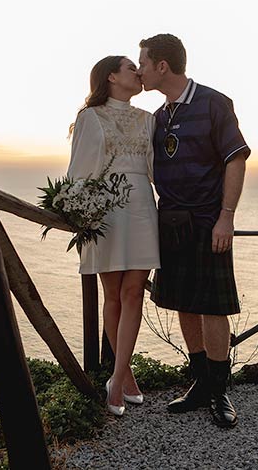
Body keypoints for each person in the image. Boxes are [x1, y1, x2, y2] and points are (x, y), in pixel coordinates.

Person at [137, 34, 249, 428]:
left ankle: (220, 391)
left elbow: (236, 160)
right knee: (185, 301)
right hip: (170, 221)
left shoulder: (214, 103)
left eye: (144, 63)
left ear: (162, 66)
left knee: (213, 306)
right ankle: (201, 382)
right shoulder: (157, 116)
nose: (140, 70)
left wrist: (227, 216)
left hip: (207, 220)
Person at [67, 55, 160, 416]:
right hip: (105, 209)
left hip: (141, 208)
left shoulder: (148, 119)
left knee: (134, 291)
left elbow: (155, 170)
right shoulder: (90, 117)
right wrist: (78, 212)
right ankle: (124, 377)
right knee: (114, 297)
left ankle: (117, 381)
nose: (138, 73)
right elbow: (78, 170)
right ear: (110, 77)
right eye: (130, 68)